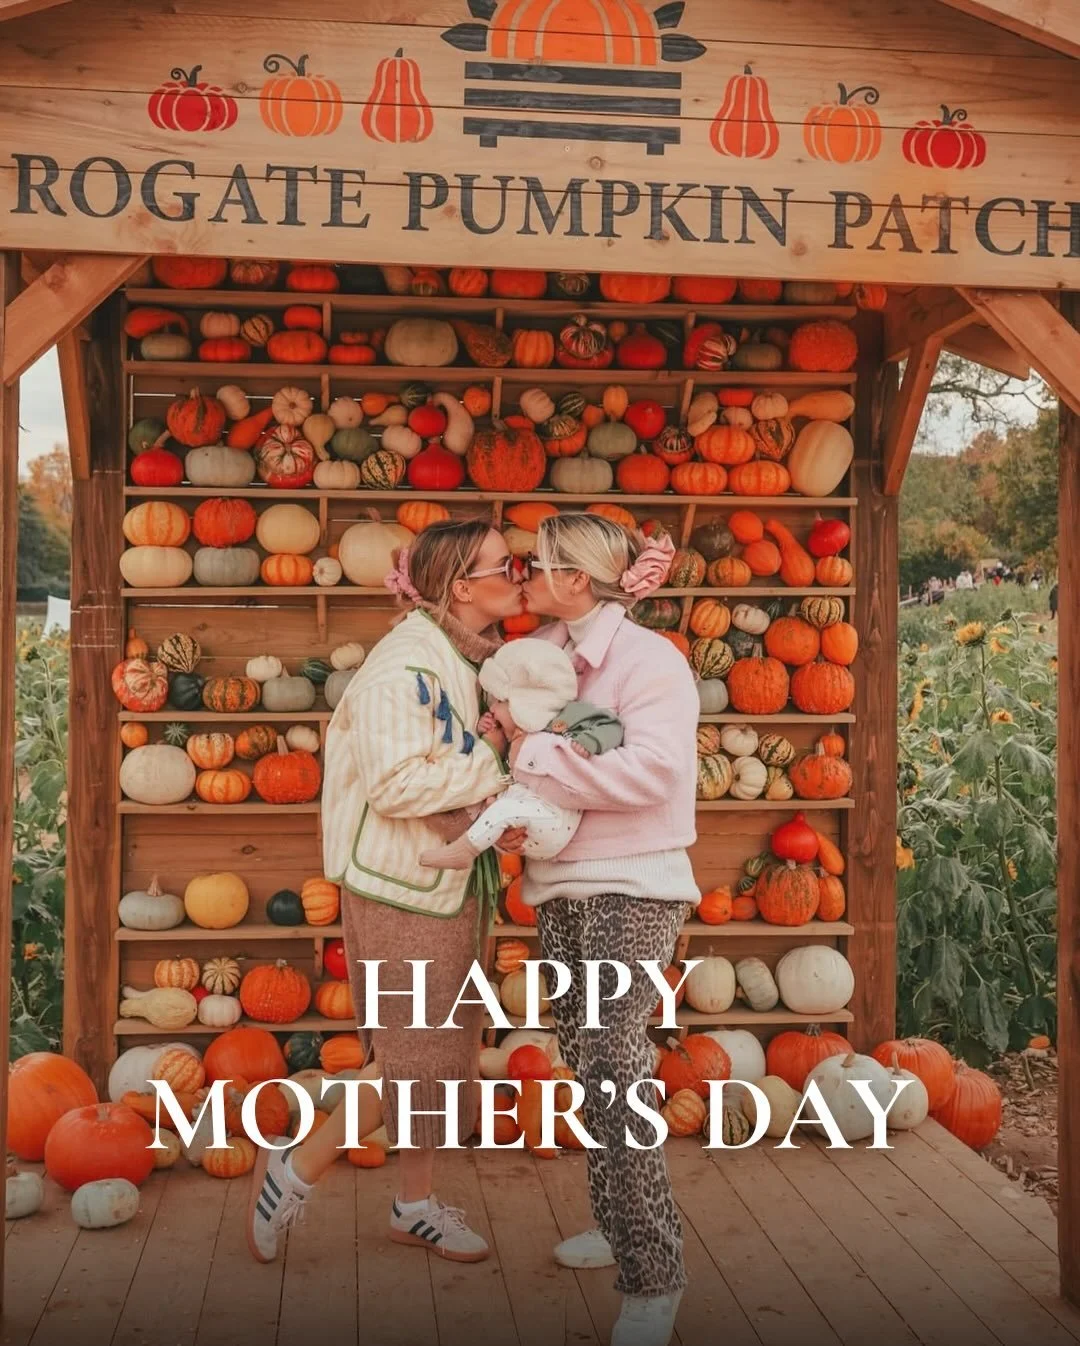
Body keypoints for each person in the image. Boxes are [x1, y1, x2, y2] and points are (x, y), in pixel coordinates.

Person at [246, 518, 526, 1266]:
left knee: (443, 1055)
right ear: (461, 587)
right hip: (402, 889)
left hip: (443, 882)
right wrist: (496, 752)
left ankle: (414, 1206)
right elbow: (396, 784)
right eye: (508, 565)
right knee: (412, 1062)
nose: (521, 576)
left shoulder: (466, 657)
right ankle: (294, 1171)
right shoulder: (402, 670)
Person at [512, 512, 700, 1346]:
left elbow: (655, 770)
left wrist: (535, 759)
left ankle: (654, 1279)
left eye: (535, 563)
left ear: (574, 579)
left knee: (616, 1065)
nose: (524, 574)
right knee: (586, 1059)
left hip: (634, 884)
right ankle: (618, 1222)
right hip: (558, 884)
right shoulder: (545, 654)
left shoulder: (650, 660)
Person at [418, 637, 624, 870]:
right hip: (525, 819)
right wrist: (485, 729)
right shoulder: (519, 734)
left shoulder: (564, 718)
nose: (492, 708)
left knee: (502, 808)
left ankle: (464, 852)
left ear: (526, 703)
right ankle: (457, 823)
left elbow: (610, 725)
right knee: (493, 799)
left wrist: (590, 741)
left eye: (499, 701)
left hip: (554, 819)